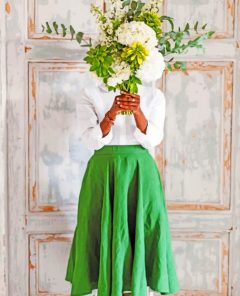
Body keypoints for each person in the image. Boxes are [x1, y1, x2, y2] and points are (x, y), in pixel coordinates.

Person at [65, 71, 180, 296]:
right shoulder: (89, 95)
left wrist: (137, 111)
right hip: (102, 171)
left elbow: (154, 138)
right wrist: (112, 113)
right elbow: (91, 140)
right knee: (99, 226)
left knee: (145, 226)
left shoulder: (153, 96)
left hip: (140, 171)